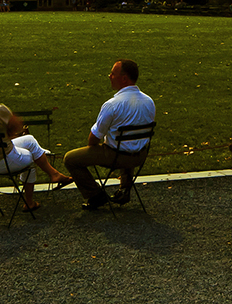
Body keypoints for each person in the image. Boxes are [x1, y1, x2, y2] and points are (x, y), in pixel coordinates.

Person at [64, 58, 155, 210]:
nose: (109, 76)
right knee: (129, 144)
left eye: (113, 73)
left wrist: (94, 148)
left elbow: (94, 138)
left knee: (70, 159)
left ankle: (95, 195)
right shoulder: (149, 102)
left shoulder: (112, 105)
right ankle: (124, 190)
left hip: (116, 157)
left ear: (124, 78)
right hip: (139, 156)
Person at [0, 105, 71, 210]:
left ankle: (54, 174)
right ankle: (29, 203)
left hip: (3, 153)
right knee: (31, 156)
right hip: (4, 160)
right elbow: (16, 126)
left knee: (29, 140)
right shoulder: (1, 110)